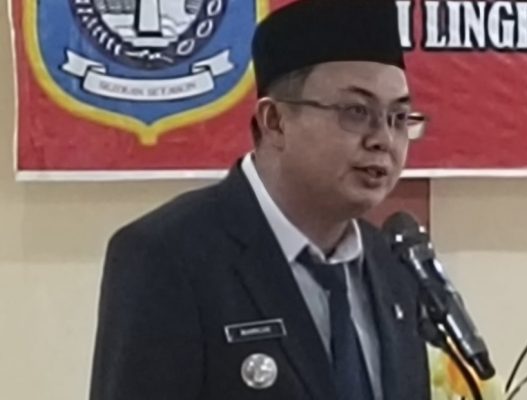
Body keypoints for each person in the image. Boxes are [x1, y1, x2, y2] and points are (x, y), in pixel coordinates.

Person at [88, 1, 431, 399]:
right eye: (356, 111)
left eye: (399, 118)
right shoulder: (169, 257)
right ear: (275, 122)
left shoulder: (393, 265)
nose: (383, 140)